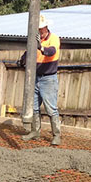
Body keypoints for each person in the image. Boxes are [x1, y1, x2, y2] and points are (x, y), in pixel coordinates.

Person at [19, 14, 62, 146]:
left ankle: (57, 135)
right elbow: (28, 54)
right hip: (35, 78)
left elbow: (51, 51)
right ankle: (35, 131)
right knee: (34, 107)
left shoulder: (54, 39)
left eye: (41, 29)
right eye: (38, 29)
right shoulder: (35, 41)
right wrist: (22, 60)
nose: (40, 32)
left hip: (48, 78)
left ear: (46, 28)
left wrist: (40, 47)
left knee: (51, 109)